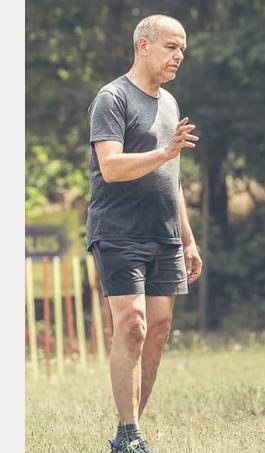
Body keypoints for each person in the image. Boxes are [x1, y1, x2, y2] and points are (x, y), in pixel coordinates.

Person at [86, 14, 202, 453]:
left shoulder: (170, 104)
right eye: (171, 47)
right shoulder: (111, 98)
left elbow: (172, 179)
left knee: (158, 328)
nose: (179, 57)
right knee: (130, 326)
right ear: (143, 45)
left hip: (166, 233)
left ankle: (128, 434)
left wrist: (188, 238)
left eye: (183, 50)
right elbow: (112, 168)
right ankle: (131, 432)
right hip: (118, 231)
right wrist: (165, 151)